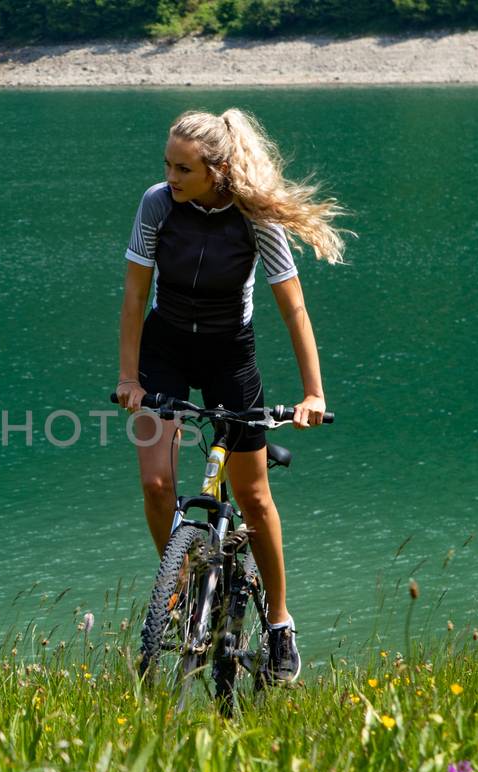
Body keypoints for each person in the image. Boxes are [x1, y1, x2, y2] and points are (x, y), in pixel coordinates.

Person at [113, 108, 346, 685]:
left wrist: (312, 393)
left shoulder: (254, 215)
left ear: (218, 169)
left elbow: (292, 306)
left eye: (184, 168)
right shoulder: (157, 205)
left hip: (229, 355)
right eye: (167, 164)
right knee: (155, 482)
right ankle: (180, 576)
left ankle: (280, 626)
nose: (171, 176)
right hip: (165, 349)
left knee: (255, 496)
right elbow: (134, 296)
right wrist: (129, 380)